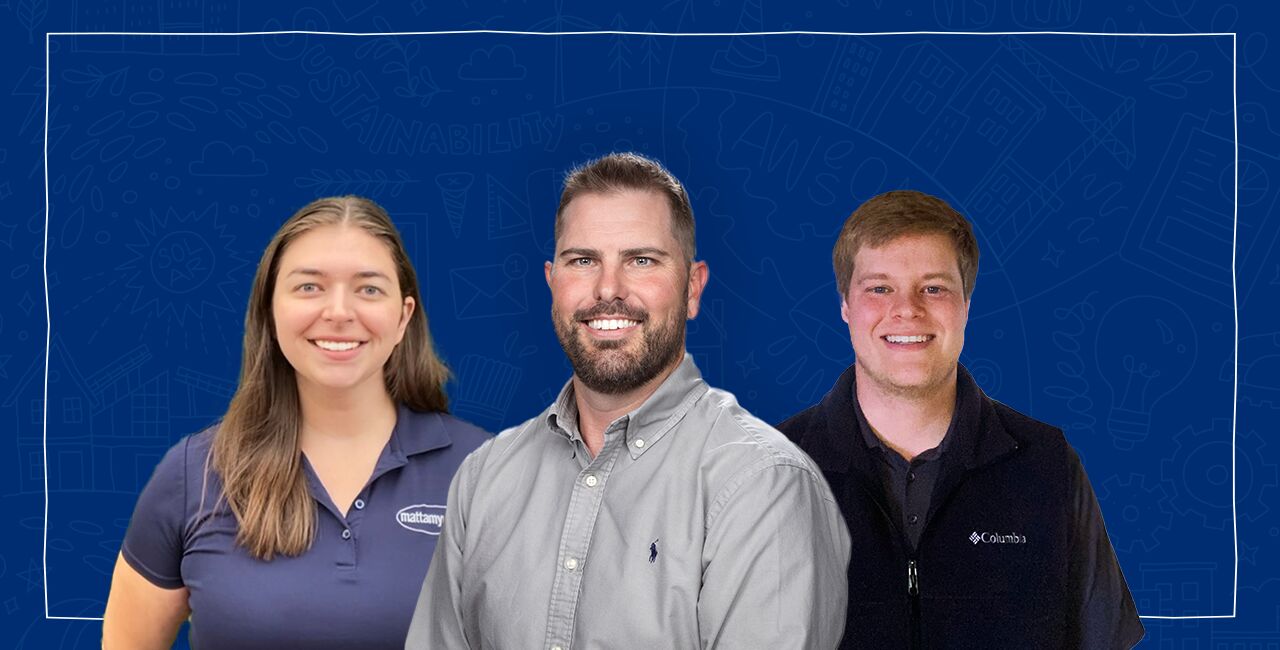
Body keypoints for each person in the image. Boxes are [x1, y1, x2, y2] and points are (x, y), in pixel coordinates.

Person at [406, 152, 851, 649]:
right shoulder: (484, 480)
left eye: (641, 260)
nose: (608, 289)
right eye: (583, 260)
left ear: (693, 289)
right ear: (552, 283)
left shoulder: (763, 487)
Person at [102, 196, 491, 649]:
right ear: (270, 308)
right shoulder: (194, 475)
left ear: (403, 317)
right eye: (309, 287)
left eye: (368, 289)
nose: (339, 312)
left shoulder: (484, 470)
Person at [777, 190, 1145, 648]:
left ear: (966, 304)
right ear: (845, 306)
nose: (907, 309)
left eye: (933, 288)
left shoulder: (1047, 467)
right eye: (879, 288)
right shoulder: (771, 472)